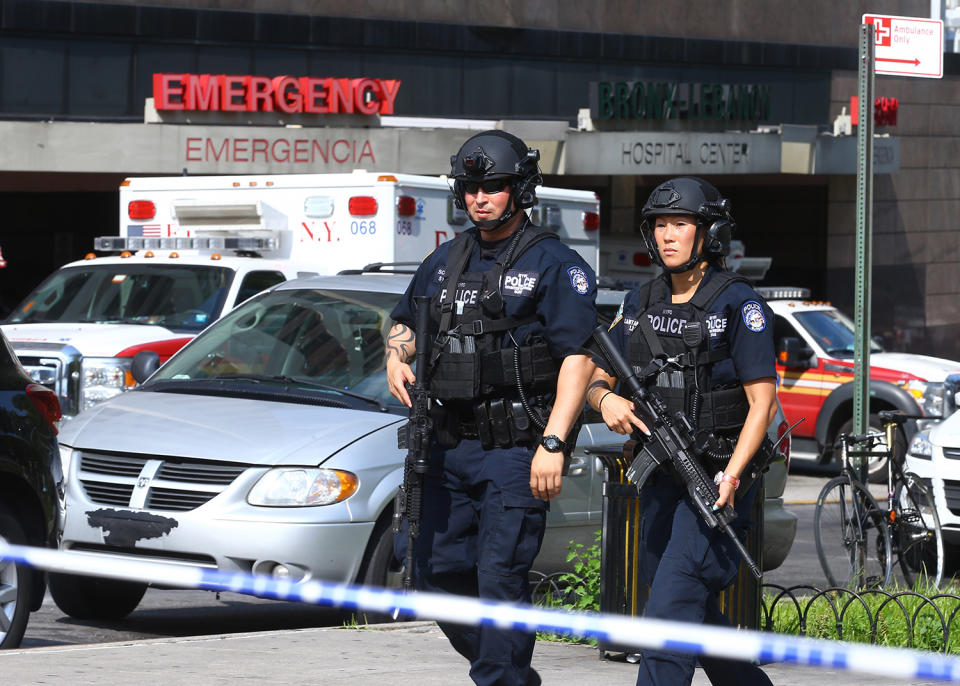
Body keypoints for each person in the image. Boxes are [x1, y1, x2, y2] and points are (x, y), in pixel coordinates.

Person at [385, 130, 597, 686]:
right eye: (471, 186)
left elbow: (577, 358)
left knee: (500, 576)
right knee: (436, 578)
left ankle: (499, 678)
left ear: (519, 188)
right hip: (447, 443)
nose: (480, 197)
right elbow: (407, 322)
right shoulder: (443, 260)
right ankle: (511, 676)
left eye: (494, 186)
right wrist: (395, 353)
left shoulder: (554, 263)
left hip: (513, 449)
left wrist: (553, 442)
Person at [585, 177, 777, 686]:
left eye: (680, 224)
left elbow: (762, 404)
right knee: (679, 606)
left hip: (716, 481)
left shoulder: (738, 303)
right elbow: (597, 377)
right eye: (660, 225)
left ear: (708, 232)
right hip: (661, 480)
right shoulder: (640, 300)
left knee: (669, 615)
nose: (668, 236)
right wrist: (606, 400)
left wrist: (732, 478)